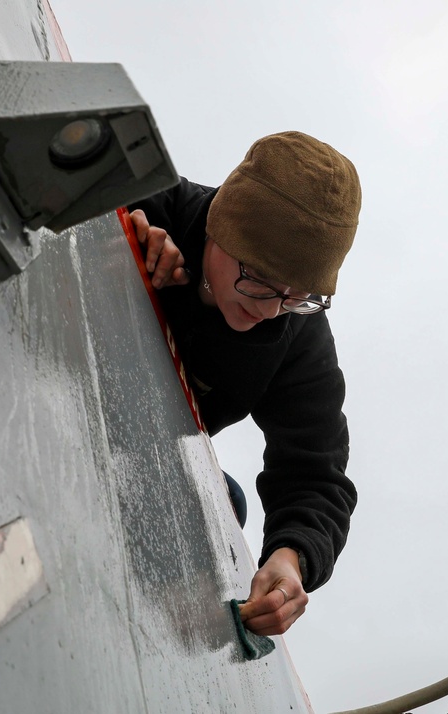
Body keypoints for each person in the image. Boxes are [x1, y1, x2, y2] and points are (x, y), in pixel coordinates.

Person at [128, 131, 361, 637]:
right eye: (256, 277)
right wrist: (113, 244)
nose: (268, 309)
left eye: (296, 295)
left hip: (136, 464)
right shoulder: (145, 204)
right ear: (221, 224)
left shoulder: (297, 336)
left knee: (219, 507)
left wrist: (291, 558)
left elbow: (315, 471)